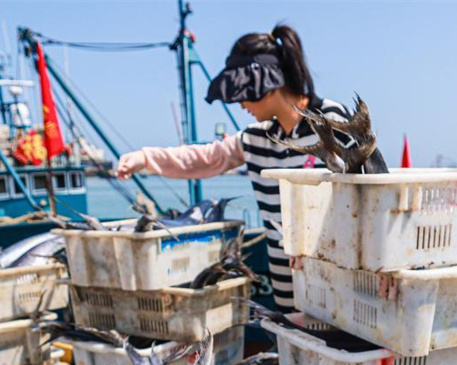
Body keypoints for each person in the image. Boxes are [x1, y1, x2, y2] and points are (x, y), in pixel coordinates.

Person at [117, 24, 386, 310]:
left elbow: (375, 191)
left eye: (242, 93)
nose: (240, 103)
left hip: (343, 290)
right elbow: (205, 158)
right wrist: (145, 158)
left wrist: (385, 266)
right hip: (287, 291)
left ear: (264, 82)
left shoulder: (332, 119)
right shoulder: (256, 138)